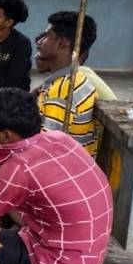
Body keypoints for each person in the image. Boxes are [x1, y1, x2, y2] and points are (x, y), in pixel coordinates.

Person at [0, 88, 113, 264]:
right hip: (87, 253)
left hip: (58, 263)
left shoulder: (19, 168)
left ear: (5, 136)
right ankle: (0, 246)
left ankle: (0, 259)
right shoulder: (59, 138)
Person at [33, 11, 115, 157]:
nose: (39, 42)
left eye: (46, 36)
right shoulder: (70, 80)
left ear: (62, 43)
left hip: (62, 167)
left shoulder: (64, 90)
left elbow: (46, 150)